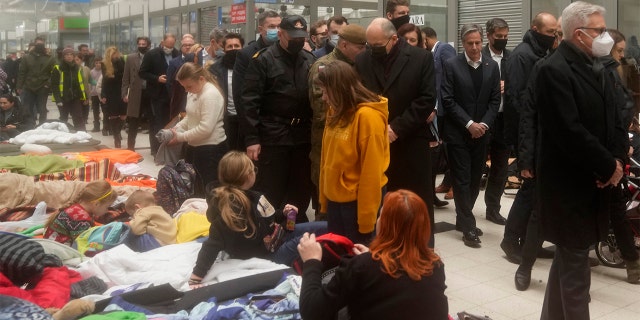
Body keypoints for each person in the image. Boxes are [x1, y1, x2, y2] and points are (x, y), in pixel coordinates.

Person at [536, 2, 627, 318]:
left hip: (595, 179)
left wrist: (615, 161)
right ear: (579, 34)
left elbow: (614, 115)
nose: (606, 37)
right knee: (576, 277)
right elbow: (568, 131)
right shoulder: (553, 70)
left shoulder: (598, 64)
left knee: (568, 257)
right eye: (600, 30)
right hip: (568, 187)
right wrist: (607, 166)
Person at [297, 189, 448, 320]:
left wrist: (311, 261)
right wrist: (372, 257)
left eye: (381, 215)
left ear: (386, 226)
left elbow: (311, 311)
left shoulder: (361, 267)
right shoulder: (435, 265)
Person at [188, 151, 327, 287]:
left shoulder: (254, 197)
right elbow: (211, 246)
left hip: (278, 237)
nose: (255, 172)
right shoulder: (229, 212)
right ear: (248, 176)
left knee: (324, 226)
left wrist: (283, 214)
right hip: (269, 254)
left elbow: (269, 218)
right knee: (313, 238)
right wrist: (196, 276)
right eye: (253, 169)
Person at [355, 18, 437, 247]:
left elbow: (426, 99)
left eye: (377, 46)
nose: (373, 50)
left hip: (411, 143)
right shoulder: (362, 59)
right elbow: (359, 95)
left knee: (416, 203)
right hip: (375, 144)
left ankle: (422, 251)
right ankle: (384, 249)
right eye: (369, 45)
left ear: (393, 39)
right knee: (383, 202)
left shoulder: (421, 58)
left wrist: (397, 128)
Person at [240, 15, 316, 223]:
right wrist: (252, 138)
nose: (298, 41)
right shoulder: (263, 60)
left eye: (302, 36)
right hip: (273, 134)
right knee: (272, 189)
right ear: (281, 34)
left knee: (300, 189)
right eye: (293, 36)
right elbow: (249, 102)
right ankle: (270, 229)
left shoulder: (309, 60)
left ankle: (294, 228)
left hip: (302, 136)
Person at [501, 12, 558, 263]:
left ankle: (532, 240)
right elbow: (518, 100)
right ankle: (511, 240)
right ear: (535, 29)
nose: (554, 37)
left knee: (538, 192)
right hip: (529, 136)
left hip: (539, 134)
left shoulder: (540, 54)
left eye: (556, 32)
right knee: (529, 190)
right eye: (550, 33)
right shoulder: (523, 55)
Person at [316, 60, 389, 244]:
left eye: (325, 91)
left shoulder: (368, 117)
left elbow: (371, 174)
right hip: (336, 201)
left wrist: (366, 221)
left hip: (358, 204)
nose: (323, 98)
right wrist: (324, 200)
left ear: (339, 89)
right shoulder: (335, 110)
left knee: (357, 261)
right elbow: (327, 158)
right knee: (338, 258)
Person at [441, 23, 501, 248]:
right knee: (462, 179)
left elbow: (495, 100)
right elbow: (448, 99)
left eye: (477, 42)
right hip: (458, 133)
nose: (475, 47)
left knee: (476, 179)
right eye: (470, 43)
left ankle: (462, 218)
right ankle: (468, 227)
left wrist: (483, 124)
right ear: (462, 44)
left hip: (482, 133)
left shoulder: (491, 66)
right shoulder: (451, 65)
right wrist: (469, 124)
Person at [308, 24, 367, 221]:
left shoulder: (359, 65)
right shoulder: (324, 67)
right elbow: (322, 111)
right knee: (326, 209)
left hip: (352, 147)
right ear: (344, 44)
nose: (363, 51)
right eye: (360, 47)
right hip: (329, 144)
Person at [601, 28, 640, 284]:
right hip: (601, 154)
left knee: (616, 209)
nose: (623, 56)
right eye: (619, 50)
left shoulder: (619, 73)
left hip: (615, 153)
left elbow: (624, 109)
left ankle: (632, 263)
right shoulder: (601, 75)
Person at [168, 62, 228, 196]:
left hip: (211, 149)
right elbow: (190, 116)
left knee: (208, 190)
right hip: (194, 146)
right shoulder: (193, 91)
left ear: (201, 79)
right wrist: (176, 128)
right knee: (194, 186)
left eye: (188, 86)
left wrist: (180, 137)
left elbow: (206, 128)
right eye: (183, 86)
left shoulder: (210, 94)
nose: (186, 90)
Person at [482, 17, 511, 225]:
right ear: (489, 35)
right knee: (476, 168)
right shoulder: (477, 55)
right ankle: (465, 212)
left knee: (500, 168)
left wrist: (507, 86)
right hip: (483, 119)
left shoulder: (512, 57)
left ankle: (493, 208)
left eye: (505, 36)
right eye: (498, 36)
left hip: (504, 120)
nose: (502, 40)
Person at [423, 26, 457, 205]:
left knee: (448, 149)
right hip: (437, 108)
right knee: (439, 150)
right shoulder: (431, 54)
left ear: (427, 38)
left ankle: (453, 186)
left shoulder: (444, 49)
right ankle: (445, 183)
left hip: (445, 108)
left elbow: (452, 75)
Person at [232, 10, 281, 130]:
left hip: (280, 123)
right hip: (258, 121)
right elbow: (240, 96)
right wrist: (250, 130)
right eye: (271, 27)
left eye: (279, 26)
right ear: (260, 29)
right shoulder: (247, 54)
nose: (277, 30)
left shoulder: (285, 51)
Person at [139, 33, 180, 156]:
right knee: (157, 122)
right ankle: (155, 148)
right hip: (157, 94)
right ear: (162, 42)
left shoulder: (176, 54)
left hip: (172, 95)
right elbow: (142, 73)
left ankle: (168, 147)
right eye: (167, 46)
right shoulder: (151, 55)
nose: (170, 48)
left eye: (172, 46)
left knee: (170, 122)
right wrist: (157, 78)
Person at [43, 180, 117, 246]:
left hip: (51, 244)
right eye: (107, 206)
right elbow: (83, 245)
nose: (107, 210)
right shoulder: (81, 219)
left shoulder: (76, 208)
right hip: (59, 250)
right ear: (96, 204)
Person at [209, 33, 245, 151]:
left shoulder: (251, 66)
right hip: (225, 119)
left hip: (245, 119)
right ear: (224, 49)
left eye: (236, 46)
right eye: (230, 46)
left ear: (242, 48)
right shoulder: (215, 69)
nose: (233, 49)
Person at [17, 36, 56, 125]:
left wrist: (48, 84)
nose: (40, 46)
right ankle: (30, 125)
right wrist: (19, 86)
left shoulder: (50, 58)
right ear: (34, 44)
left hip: (43, 86)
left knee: (42, 108)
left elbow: (55, 72)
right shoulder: (27, 57)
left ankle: (42, 126)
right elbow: (22, 72)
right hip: (29, 86)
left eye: (41, 44)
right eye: (38, 44)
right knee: (28, 108)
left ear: (44, 45)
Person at [122, 36, 151, 151]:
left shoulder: (152, 56)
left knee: (152, 122)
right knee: (133, 122)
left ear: (148, 45)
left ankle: (154, 149)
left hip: (149, 92)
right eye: (140, 44)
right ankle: (130, 148)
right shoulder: (130, 58)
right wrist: (124, 93)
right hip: (135, 93)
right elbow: (125, 77)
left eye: (144, 44)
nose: (141, 46)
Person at [51, 47, 89, 131]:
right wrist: (58, 99)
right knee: (63, 119)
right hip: (63, 98)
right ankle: (62, 136)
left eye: (71, 54)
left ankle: (82, 135)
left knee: (78, 117)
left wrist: (85, 96)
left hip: (75, 97)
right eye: (67, 55)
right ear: (63, 56)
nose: (69, 56)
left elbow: (80, 84)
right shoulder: (58, 68)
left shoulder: (77, 68)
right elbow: (54, 85)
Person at [100, 46, 127, 148]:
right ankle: (116, 137)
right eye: (113, 54)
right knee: (113, 115)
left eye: (116, 53)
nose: (115, 55)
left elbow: (124, 75)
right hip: (111, 92)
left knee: (124, 115)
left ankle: (118, 131)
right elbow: (105, 80)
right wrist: (103, 94)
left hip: (121, 90)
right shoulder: (105, 64)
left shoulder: (122, 61)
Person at [167, 35, 196, 121]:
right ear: (181, 47)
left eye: (190, 45)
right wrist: (174, 97)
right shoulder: (174, 62)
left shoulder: (198, 60)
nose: (187, 47)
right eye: (185, 45)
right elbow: (169, 83)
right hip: (179, 101)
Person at [75, 53, 92, 128]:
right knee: (78, 112)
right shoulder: (71, 70)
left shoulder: (86, 69)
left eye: (77, 60)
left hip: (85, 93)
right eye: (74, 60)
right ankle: (79, 126)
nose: (75, 61)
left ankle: (83, 124)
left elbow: (90, 80)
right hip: (75, 94)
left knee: (85, 110)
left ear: (81, 61)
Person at [89, 58, 105, 134]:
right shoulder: (91, 72)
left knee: (105, 110)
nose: (98, 64)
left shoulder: (104, 71)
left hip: (102, 94)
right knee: (95, 111)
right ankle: (96, 126)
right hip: (94, 94)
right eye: (96, 63)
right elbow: (90, 83)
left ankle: (105, 126)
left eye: (99, 63)